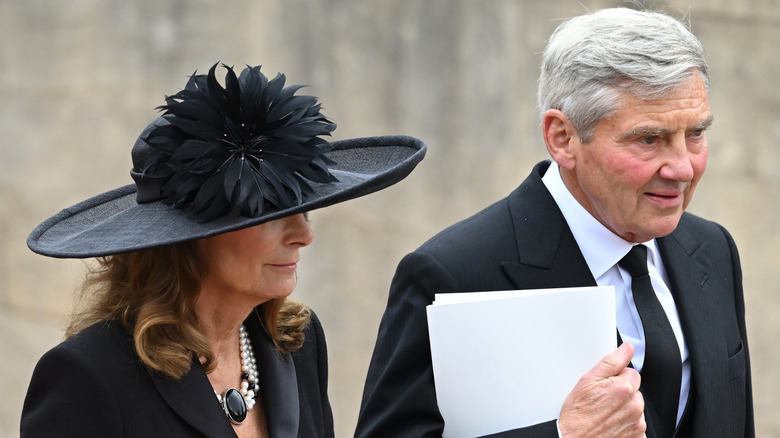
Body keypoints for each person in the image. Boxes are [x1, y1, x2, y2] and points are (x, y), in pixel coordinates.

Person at [356, 7, 753, 438]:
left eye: (695, 134)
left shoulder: (712, 248)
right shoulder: (452, 273)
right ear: (562, 138)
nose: (682, 168)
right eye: (649, 139)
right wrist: (565, 434)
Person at [21, 63, 425, 438]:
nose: (303, 234)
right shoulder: (89, 377)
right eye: (270, 214)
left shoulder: (297, 342)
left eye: (304, 209)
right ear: (191, 235)